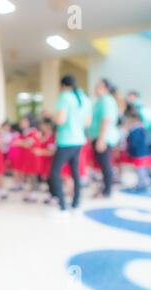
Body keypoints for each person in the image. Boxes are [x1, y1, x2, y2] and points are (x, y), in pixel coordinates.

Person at [49, 75, 92, 215]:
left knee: (54, 173)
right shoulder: (85, 98)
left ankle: (62, 206)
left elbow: (60, 120)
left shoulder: (65, 96)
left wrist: (51, 116)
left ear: (63, 86)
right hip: (79, 140)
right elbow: (87, 123)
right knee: (75, 172)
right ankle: (75, 202)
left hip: (66, 140)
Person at [89, 79, 120, 198]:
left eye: (100, 86)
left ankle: (107, 190)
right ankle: (104, 188)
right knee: (102, 164)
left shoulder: (107, 100)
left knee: (105, 164)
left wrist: (102, 139)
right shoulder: (100, 101)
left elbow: (106, 120)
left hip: (104, 137)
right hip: (98, 136)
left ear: (107, 88)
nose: (96, 88)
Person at [126, 111, 151, 191]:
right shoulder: (142, 129)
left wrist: (129, 151)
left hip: (139, 154)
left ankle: (143, 185)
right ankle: (143, 183)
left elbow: (133, 143)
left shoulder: (136, 130)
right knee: (143, 170)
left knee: (141, 170)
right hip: (144, 153)